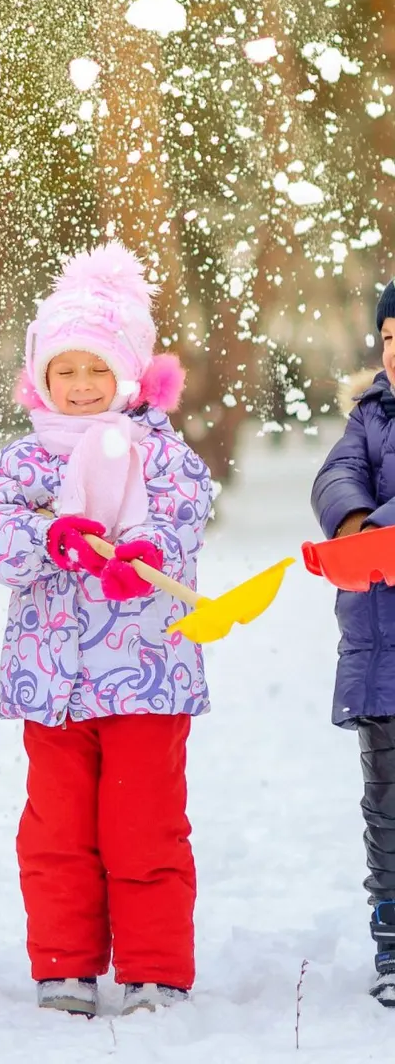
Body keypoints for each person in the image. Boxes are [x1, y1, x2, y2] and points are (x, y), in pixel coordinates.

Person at [0, 242, 212, 1016]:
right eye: (63, 371)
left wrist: (142, 551)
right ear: (39, 377)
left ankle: (154, 968)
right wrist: (48, 538)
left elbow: (184, 524)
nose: (79, 387)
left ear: (130, 376)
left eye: (96, 370)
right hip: (52, 681)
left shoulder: (161, 455)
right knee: (57, 832)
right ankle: (65, 965)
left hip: (146, 674)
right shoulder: (23, 464)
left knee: (144, 830)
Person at [311, 278, 395, 1007]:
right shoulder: (370, 417)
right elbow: (338, 472)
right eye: (391, 339)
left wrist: (384, 525)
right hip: (381, 650)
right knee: (388, 804)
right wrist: (352, 519)